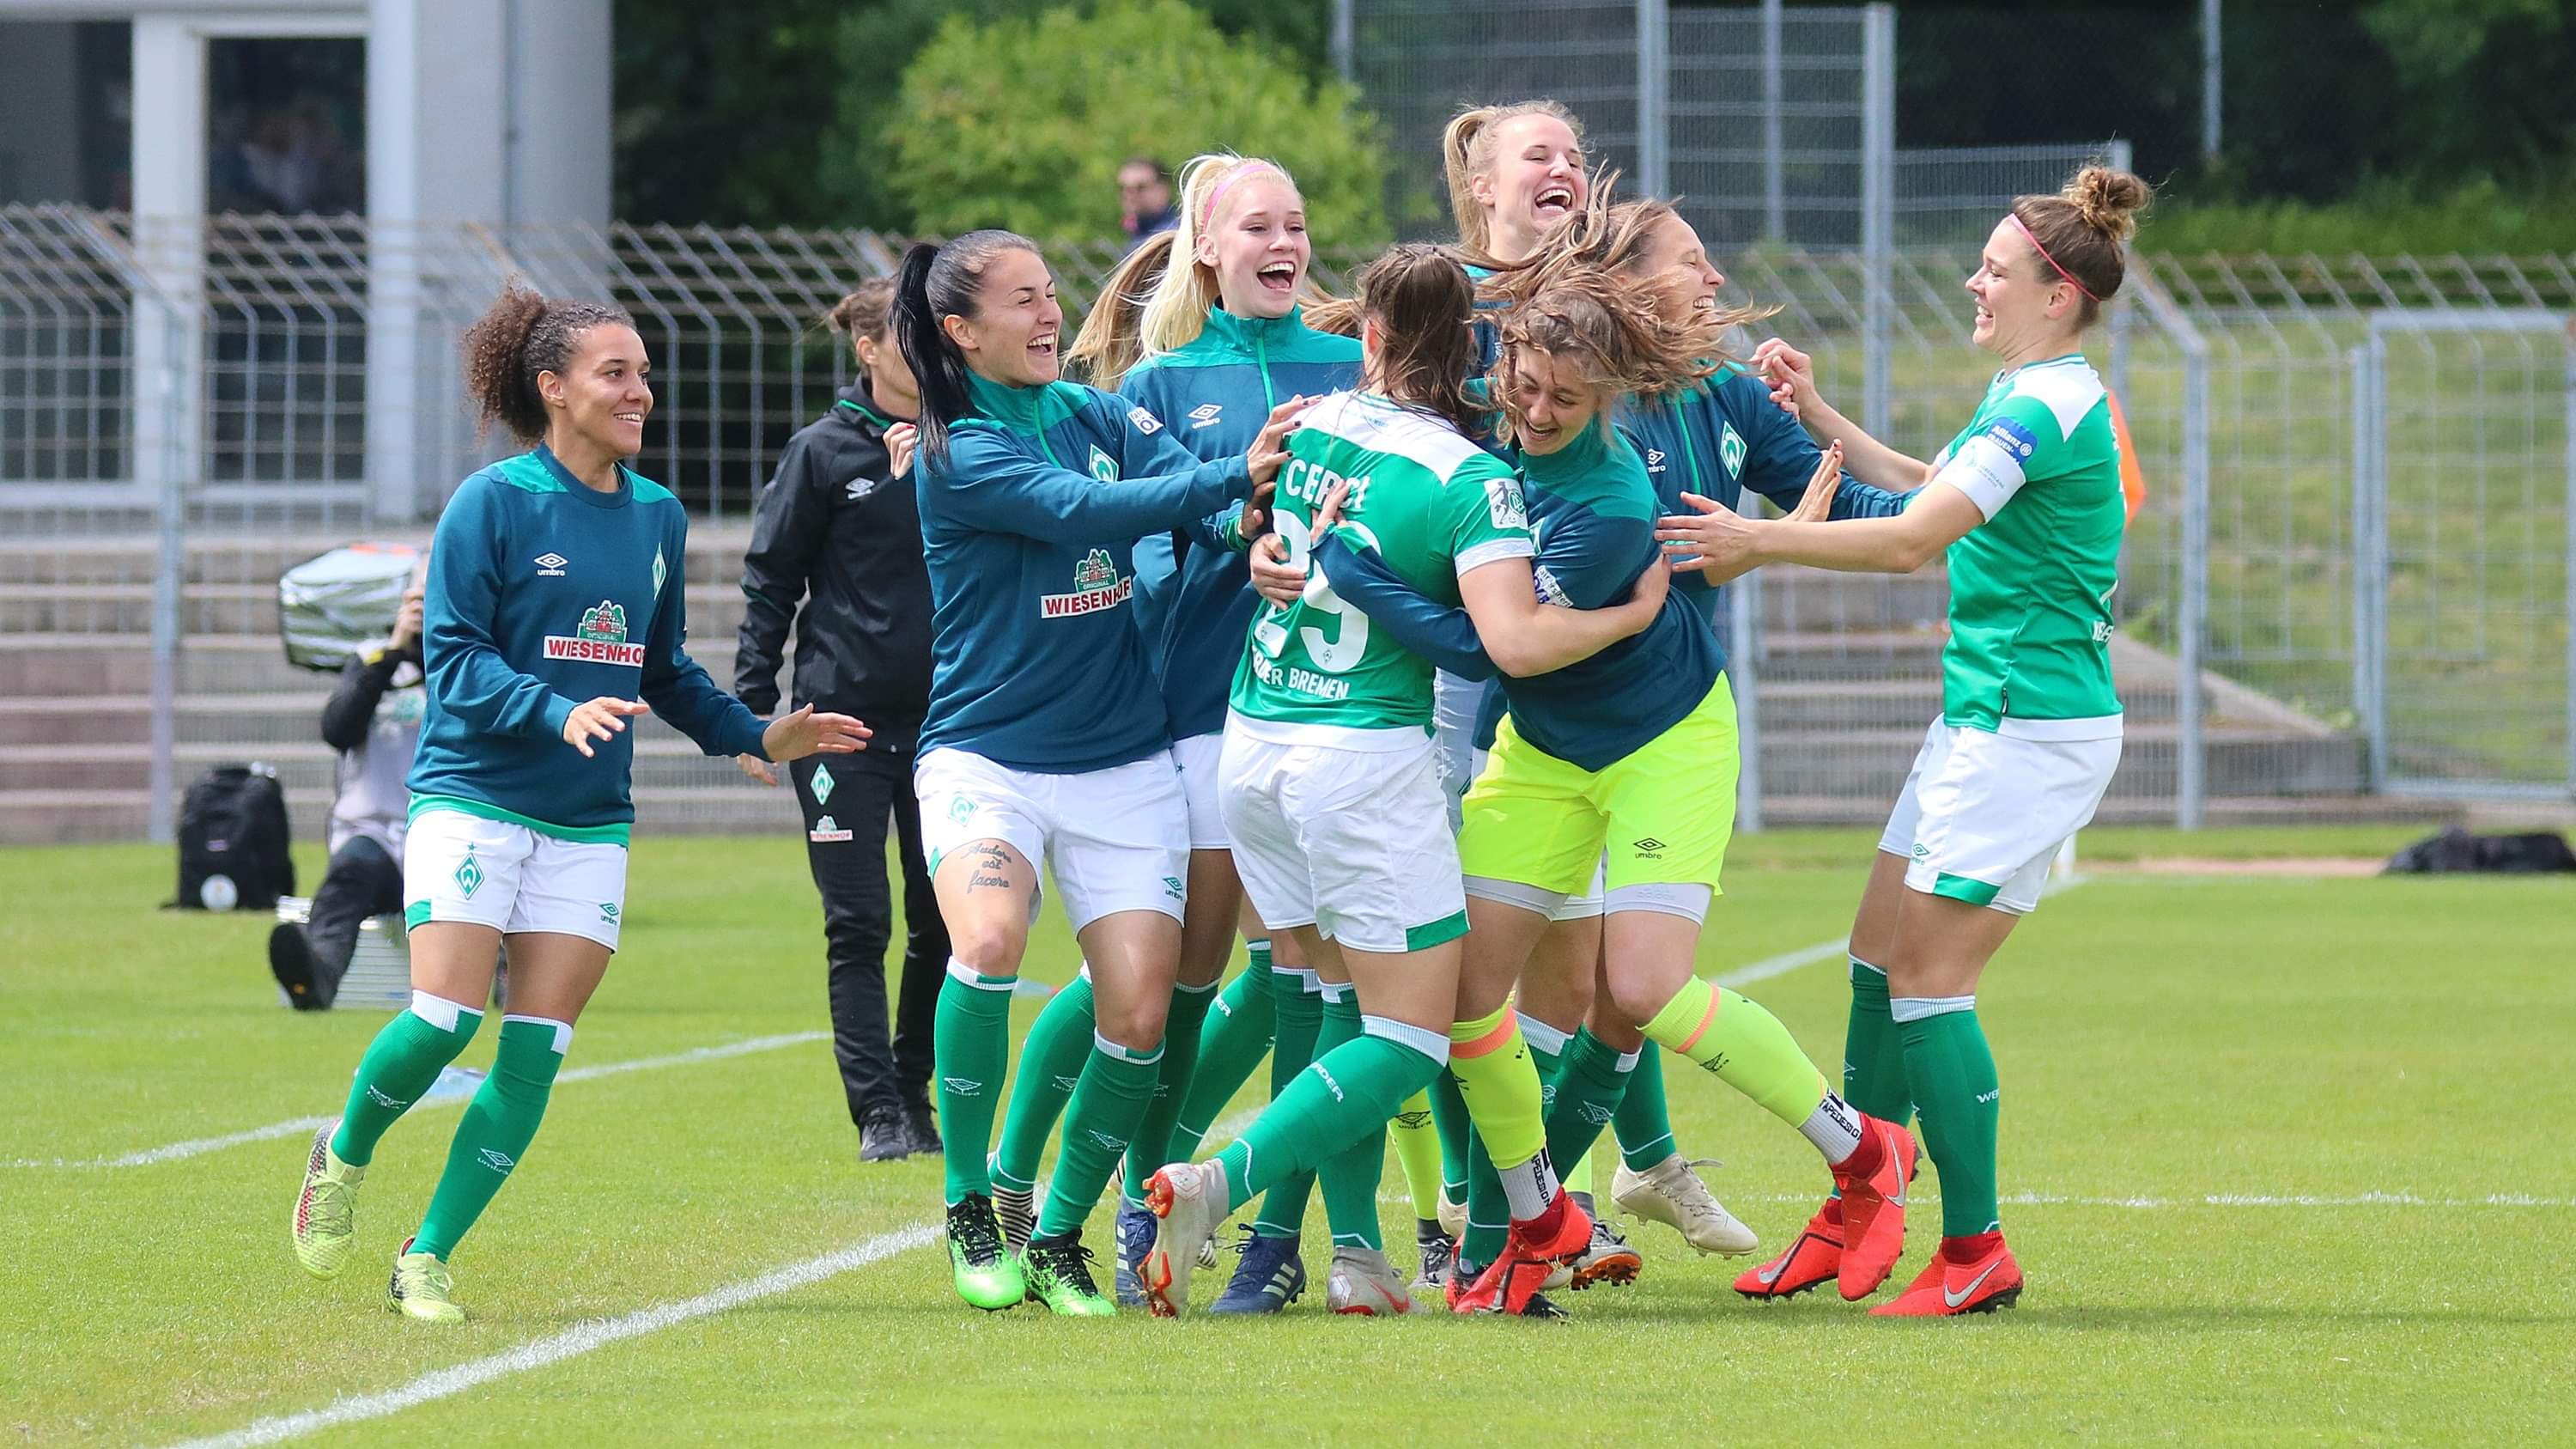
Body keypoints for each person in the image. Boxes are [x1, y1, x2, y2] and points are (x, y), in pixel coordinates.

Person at [1308, 263, 1915, 1319]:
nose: (1539, 412)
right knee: (1458, 998)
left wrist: (1352, 570)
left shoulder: (1610, 505)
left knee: (1641, 990)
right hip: (1544, 752)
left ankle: (1864, 1152)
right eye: (1526, 386)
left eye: (1568, 398)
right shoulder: (1489, 428)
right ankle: (1538, 1217)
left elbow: (1494, 647)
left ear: (1612, 396)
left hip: (1664, 742)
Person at [287, 286, 871, 1323]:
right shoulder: (491, 504)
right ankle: (345, 1151)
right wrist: (554, 711)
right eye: (616, 373)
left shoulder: (657, 514)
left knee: (534, 1052)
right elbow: (454, 659)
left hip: (589, 822)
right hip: (473, 797)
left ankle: (426, 1256)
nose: (640, 390)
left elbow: (664, 670)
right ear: (553, 388)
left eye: (643, 372)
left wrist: (758, 733)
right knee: (442, 1019)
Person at [1137, 244, 1669, 1319]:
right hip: (1362, 762)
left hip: (1256, 742)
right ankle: (1213, 1185)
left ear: (1369, 335)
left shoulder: (1305, 424)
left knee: (1343, 999)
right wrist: (1629, 614)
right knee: (1414, 1035)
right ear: (1471, 344)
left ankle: (1359, 1263)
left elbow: (1253, 530)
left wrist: (1277, 553)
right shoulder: (1469, 479)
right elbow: (1497, 645)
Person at [1657, 166, 2151, 1317]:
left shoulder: (2044, 403)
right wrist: (1819, 417)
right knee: (1877, 956)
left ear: (2058, 294)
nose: (1975, 281)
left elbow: (1912, 541)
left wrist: (1761, 540)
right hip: (1983, 720)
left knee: (1931, 982)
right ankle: (1855, 1207)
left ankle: (1975, 1248)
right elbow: (1937, 487)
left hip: (2030, 730)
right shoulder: (2030, 392)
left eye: (1994, 268)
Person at [894, 228, 1301, 1317]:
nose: (1049, 316)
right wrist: (1235, 470)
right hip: (987, 755)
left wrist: (1247, 530)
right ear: (959, 330)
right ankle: (970, 1202)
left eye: (1050, 293)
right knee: (988, 940)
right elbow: (1079, 508)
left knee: (1140, 1017)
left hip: (1121, 764)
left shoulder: (1098, 413)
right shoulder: (956, 449)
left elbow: (1188, 503)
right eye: (1023, 300)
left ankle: (1058, 1234)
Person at [1004, 153, 1368, 1314]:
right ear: (1206, 247)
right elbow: (1142, 551)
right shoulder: (1160, 383)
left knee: (1311, 978)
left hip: (1343, 711)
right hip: (1208, 715)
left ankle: (1280, 1238)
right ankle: (1131, 1201)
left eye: (1296, 223)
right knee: (1186, 980)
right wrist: (1235, 539)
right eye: (1258, 225)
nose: (1284, 242)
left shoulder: (1354, 369)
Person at [734, 278, 946, 1164]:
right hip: (839, 729)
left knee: (944, 921)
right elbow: (771, 579)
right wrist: (752, 706)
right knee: (857, 922)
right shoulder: (821, 452)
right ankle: (877, 1111)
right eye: (910, 336)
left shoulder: (961, 443)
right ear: (868, 349)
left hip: (948, 727)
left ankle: (915, 1090)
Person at [269, 557, 429, 1010]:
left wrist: (435, 650)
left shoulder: (469, 663)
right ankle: (317, 974)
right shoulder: (371, 659)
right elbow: (337, 729)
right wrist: (395, 652)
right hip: (374, 832)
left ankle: (511, 983)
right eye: (420, 596)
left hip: (444, 830)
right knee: (346, 880)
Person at [1118, 155, 1180, 253]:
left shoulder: (1171, 237)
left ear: (1163, 190)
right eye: (1123, 188)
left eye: (1140, 188)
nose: (1129, 195)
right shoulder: (1138, 233)